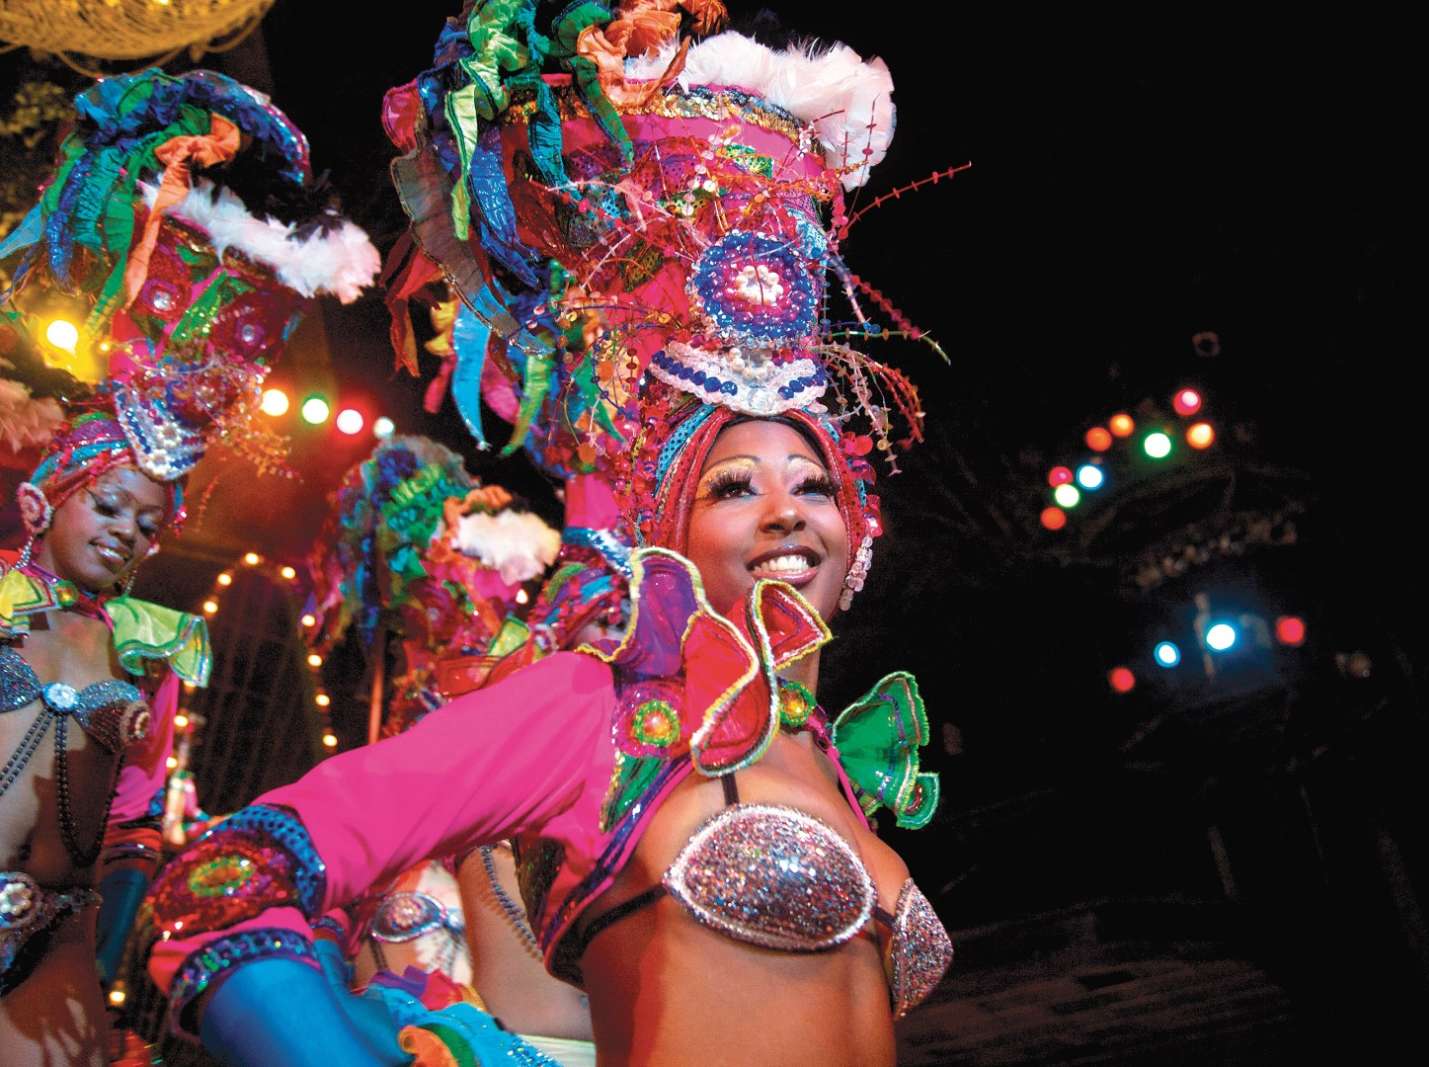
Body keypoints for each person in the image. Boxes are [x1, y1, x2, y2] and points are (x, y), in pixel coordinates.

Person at [149, 4, 949, 1064]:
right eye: (732, 486)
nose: (785, 508)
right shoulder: (593, 708)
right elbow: (237, 870)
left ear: (861, 530)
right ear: (666, 531)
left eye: (813, 482)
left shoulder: (822, 746)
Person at [0, 67, 377, 1065]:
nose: (129, 532)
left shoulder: (152, 649)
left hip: (55, 970)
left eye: (150, 522)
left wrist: (94, 967)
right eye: (110, 505)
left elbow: (125, 829)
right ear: (43, 498)